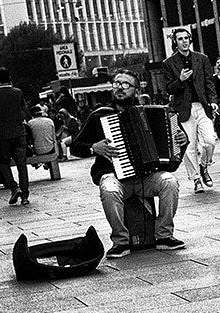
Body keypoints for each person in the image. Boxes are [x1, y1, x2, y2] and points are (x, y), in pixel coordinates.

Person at [69, 68, 185, 258]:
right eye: (116, 84)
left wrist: (180, 140)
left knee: (169, 182)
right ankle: (121, 242)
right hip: (115, 177)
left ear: (136, 91)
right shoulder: (100, 116)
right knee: (108, 189)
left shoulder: (153, 113)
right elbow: (75, 147)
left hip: (146, 177)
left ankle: (164, 235)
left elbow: (175, 145)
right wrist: (93, 147)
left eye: (126, 85)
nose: (120, 88)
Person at [163, 27, 218, 194]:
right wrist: (180, 80)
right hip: (184, 109)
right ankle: (196, 179)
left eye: (186, 38)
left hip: (202, 106)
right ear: (175, 42)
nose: (184, 41)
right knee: (190, 146)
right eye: (180, 39)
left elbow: (209, 82)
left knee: (210, 141)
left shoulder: (202, 59)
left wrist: (213, 102)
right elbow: (168, 88)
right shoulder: (169, 63)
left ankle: (204, 166)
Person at [0, 67, 30, 205]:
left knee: (3, 162)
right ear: (9, 77)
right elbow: (25, 111)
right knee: (21, 164)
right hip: (19, 133)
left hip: (3, 135)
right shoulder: (18, 92)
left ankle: (14, 187)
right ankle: (25, 196)